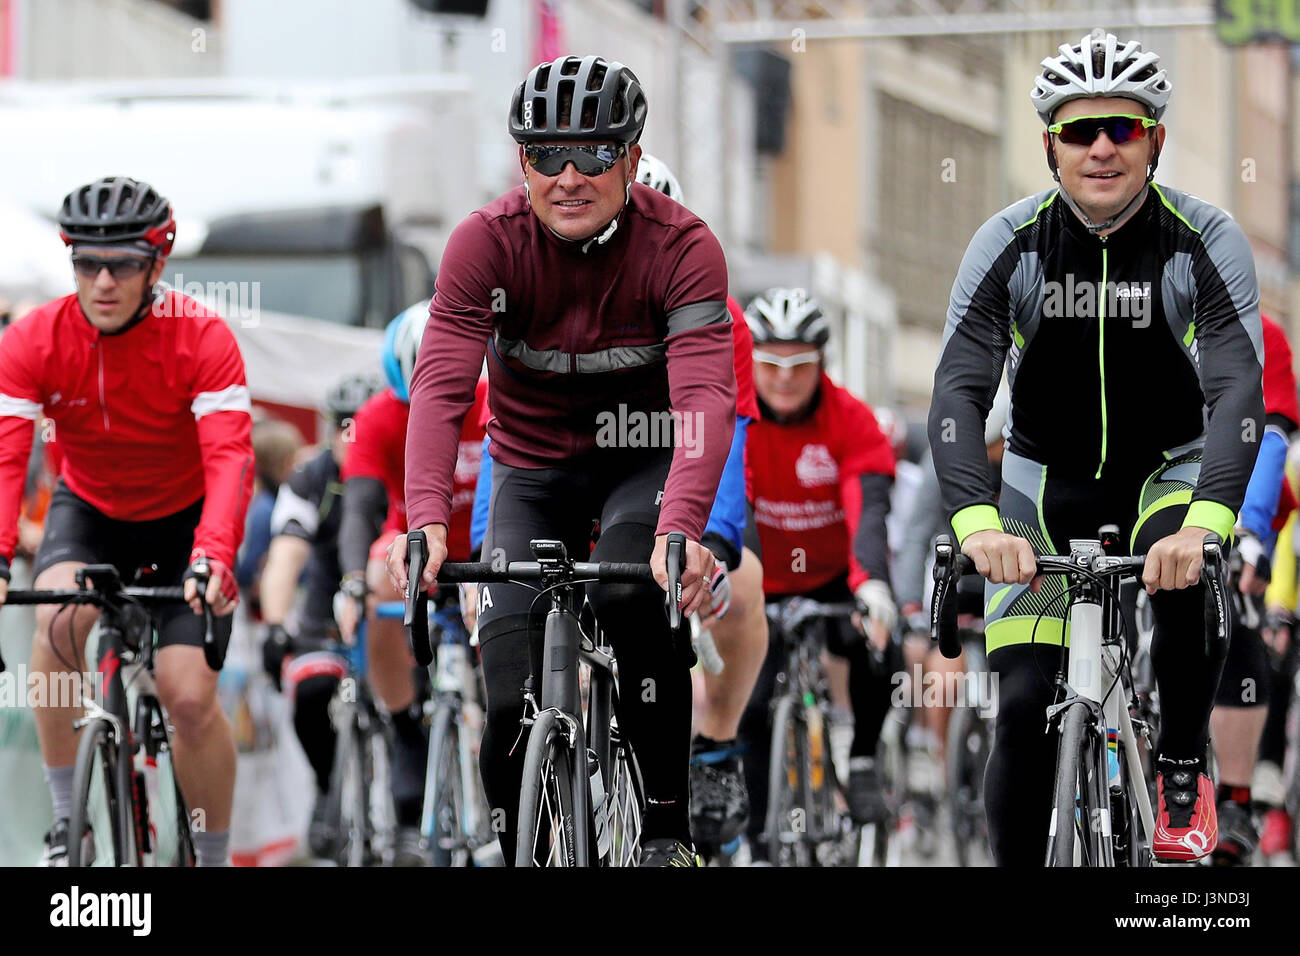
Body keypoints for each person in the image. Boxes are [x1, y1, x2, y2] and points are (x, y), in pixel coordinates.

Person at [389, 54, 737, 867]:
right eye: (547, 155)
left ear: (633, 158)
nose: (569, 175)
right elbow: (440, 388)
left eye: (594, 154)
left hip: (641, 464)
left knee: (630, 591)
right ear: (522, 163)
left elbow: (704, 403)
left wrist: (679, 528)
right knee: (506, 700)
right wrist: (428, 525)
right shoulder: (484, 243)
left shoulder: (682, 245)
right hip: (531, 472)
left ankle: (663, 832)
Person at [929, 30, 1265, 864]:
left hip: (1168, 471)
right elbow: (958, 395)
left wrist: (1209, 523)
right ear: (1050, 144)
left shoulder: (1203, 238)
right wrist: (975, 522)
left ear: (1154, 137)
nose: (1103, 147)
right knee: (1021, 711)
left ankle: (1182, 769)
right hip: (1042, 487)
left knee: (1187, 574)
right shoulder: (1008, 243)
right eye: (1081, 131)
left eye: (1124, 127)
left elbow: (1237, 391)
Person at [0, 176, 254, 866]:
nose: (104, 280)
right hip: (89, 511)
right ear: (71, 261)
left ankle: (212, 849)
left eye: (124, 265)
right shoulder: (32, 339)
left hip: (187, 522)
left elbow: (231, 457)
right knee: (56, 628)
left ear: (157, 267)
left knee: (188, 693)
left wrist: (214, 555)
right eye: (87, 263)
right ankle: (67, 826)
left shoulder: (202, 336)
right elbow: (6, 456)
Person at [739, 287, 899, 859]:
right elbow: (738, 506)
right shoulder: (739, 421)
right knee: (752, 706)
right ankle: (758, 842)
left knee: (880, 640)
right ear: (749, 361)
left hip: (835, 574)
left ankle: (859, 761)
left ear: (822, 364)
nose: (784, 379)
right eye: (770, 364)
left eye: (800, 364)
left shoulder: (850, 419)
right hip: (762, 579)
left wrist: (871, 583)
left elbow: (868, 510)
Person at [336, 301, 486, 865]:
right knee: (374, 578)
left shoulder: (495, 402)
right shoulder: (377, 417)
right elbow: (360, 507)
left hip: (483, 549)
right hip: (413, 554)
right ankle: (403, 730)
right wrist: (352, 579)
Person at [259, 373, 382, 857]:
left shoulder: (401, 461)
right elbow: (285, 554)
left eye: (362, 426)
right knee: (309, 690)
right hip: (326, 608)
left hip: (388, 600)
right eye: (343, 426)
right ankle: (327, 785)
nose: (351, 437)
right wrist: (273, 624)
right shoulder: (312, 477)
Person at [1208, 314, 1299, 864]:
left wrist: (1250, 532)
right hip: (1154, 489)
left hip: (1246, 503)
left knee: (1235, 607)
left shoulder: (1262, 334)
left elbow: (1269, 439)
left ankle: (1239, 792)